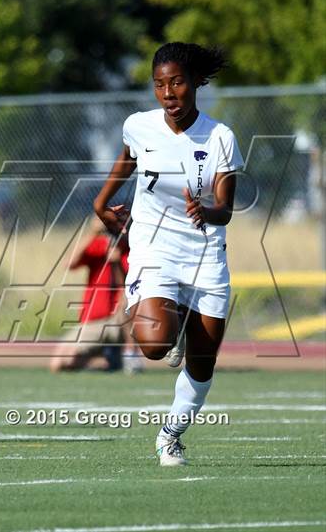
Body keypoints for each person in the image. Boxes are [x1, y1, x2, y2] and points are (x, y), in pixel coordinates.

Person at [94, 42, 244, 466]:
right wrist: (102, 202)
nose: (168, 93)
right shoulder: (139, 126)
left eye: (177, 82)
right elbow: (128, 159)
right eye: (159, 85)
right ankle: (164, 318)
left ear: (196, 81)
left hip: (206, 257)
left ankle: (170, 435)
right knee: (155, 344)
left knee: (201, 366)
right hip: (154, 247)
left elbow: (226, 209)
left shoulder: (219, 137)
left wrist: (207, 210)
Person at [49, 215, 141, 372]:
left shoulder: (133, 254)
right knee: (58, 363)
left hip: (117, 322)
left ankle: (130, 355)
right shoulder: (99, 246)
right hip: (93, 322)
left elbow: (129, 290)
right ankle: (109, 362)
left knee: (128, 300)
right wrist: (93, 233)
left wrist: (116, 263)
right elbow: (69, 263)